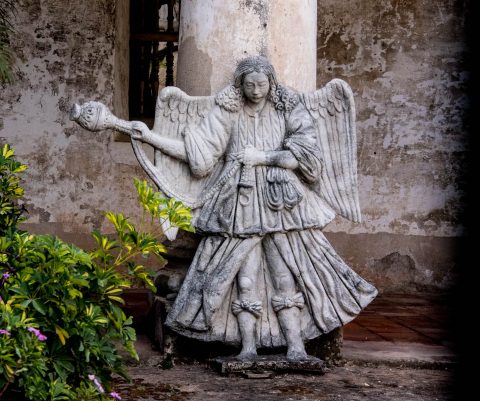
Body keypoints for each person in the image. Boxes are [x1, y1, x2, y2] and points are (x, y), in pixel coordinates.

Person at [132, 56, 377, 361]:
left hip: (281, 204)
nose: (256, 90)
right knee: (244, 280)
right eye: (249, 84)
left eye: (262, 84)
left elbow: (305, 160)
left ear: (271, 83)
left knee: (286, 276)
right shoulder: (228, 111)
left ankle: (296, 346)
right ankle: (247, 347)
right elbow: (200, 158)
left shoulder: (289, 108)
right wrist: (150, 138)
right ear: (240, 84)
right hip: (239, 205)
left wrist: (262, 157)